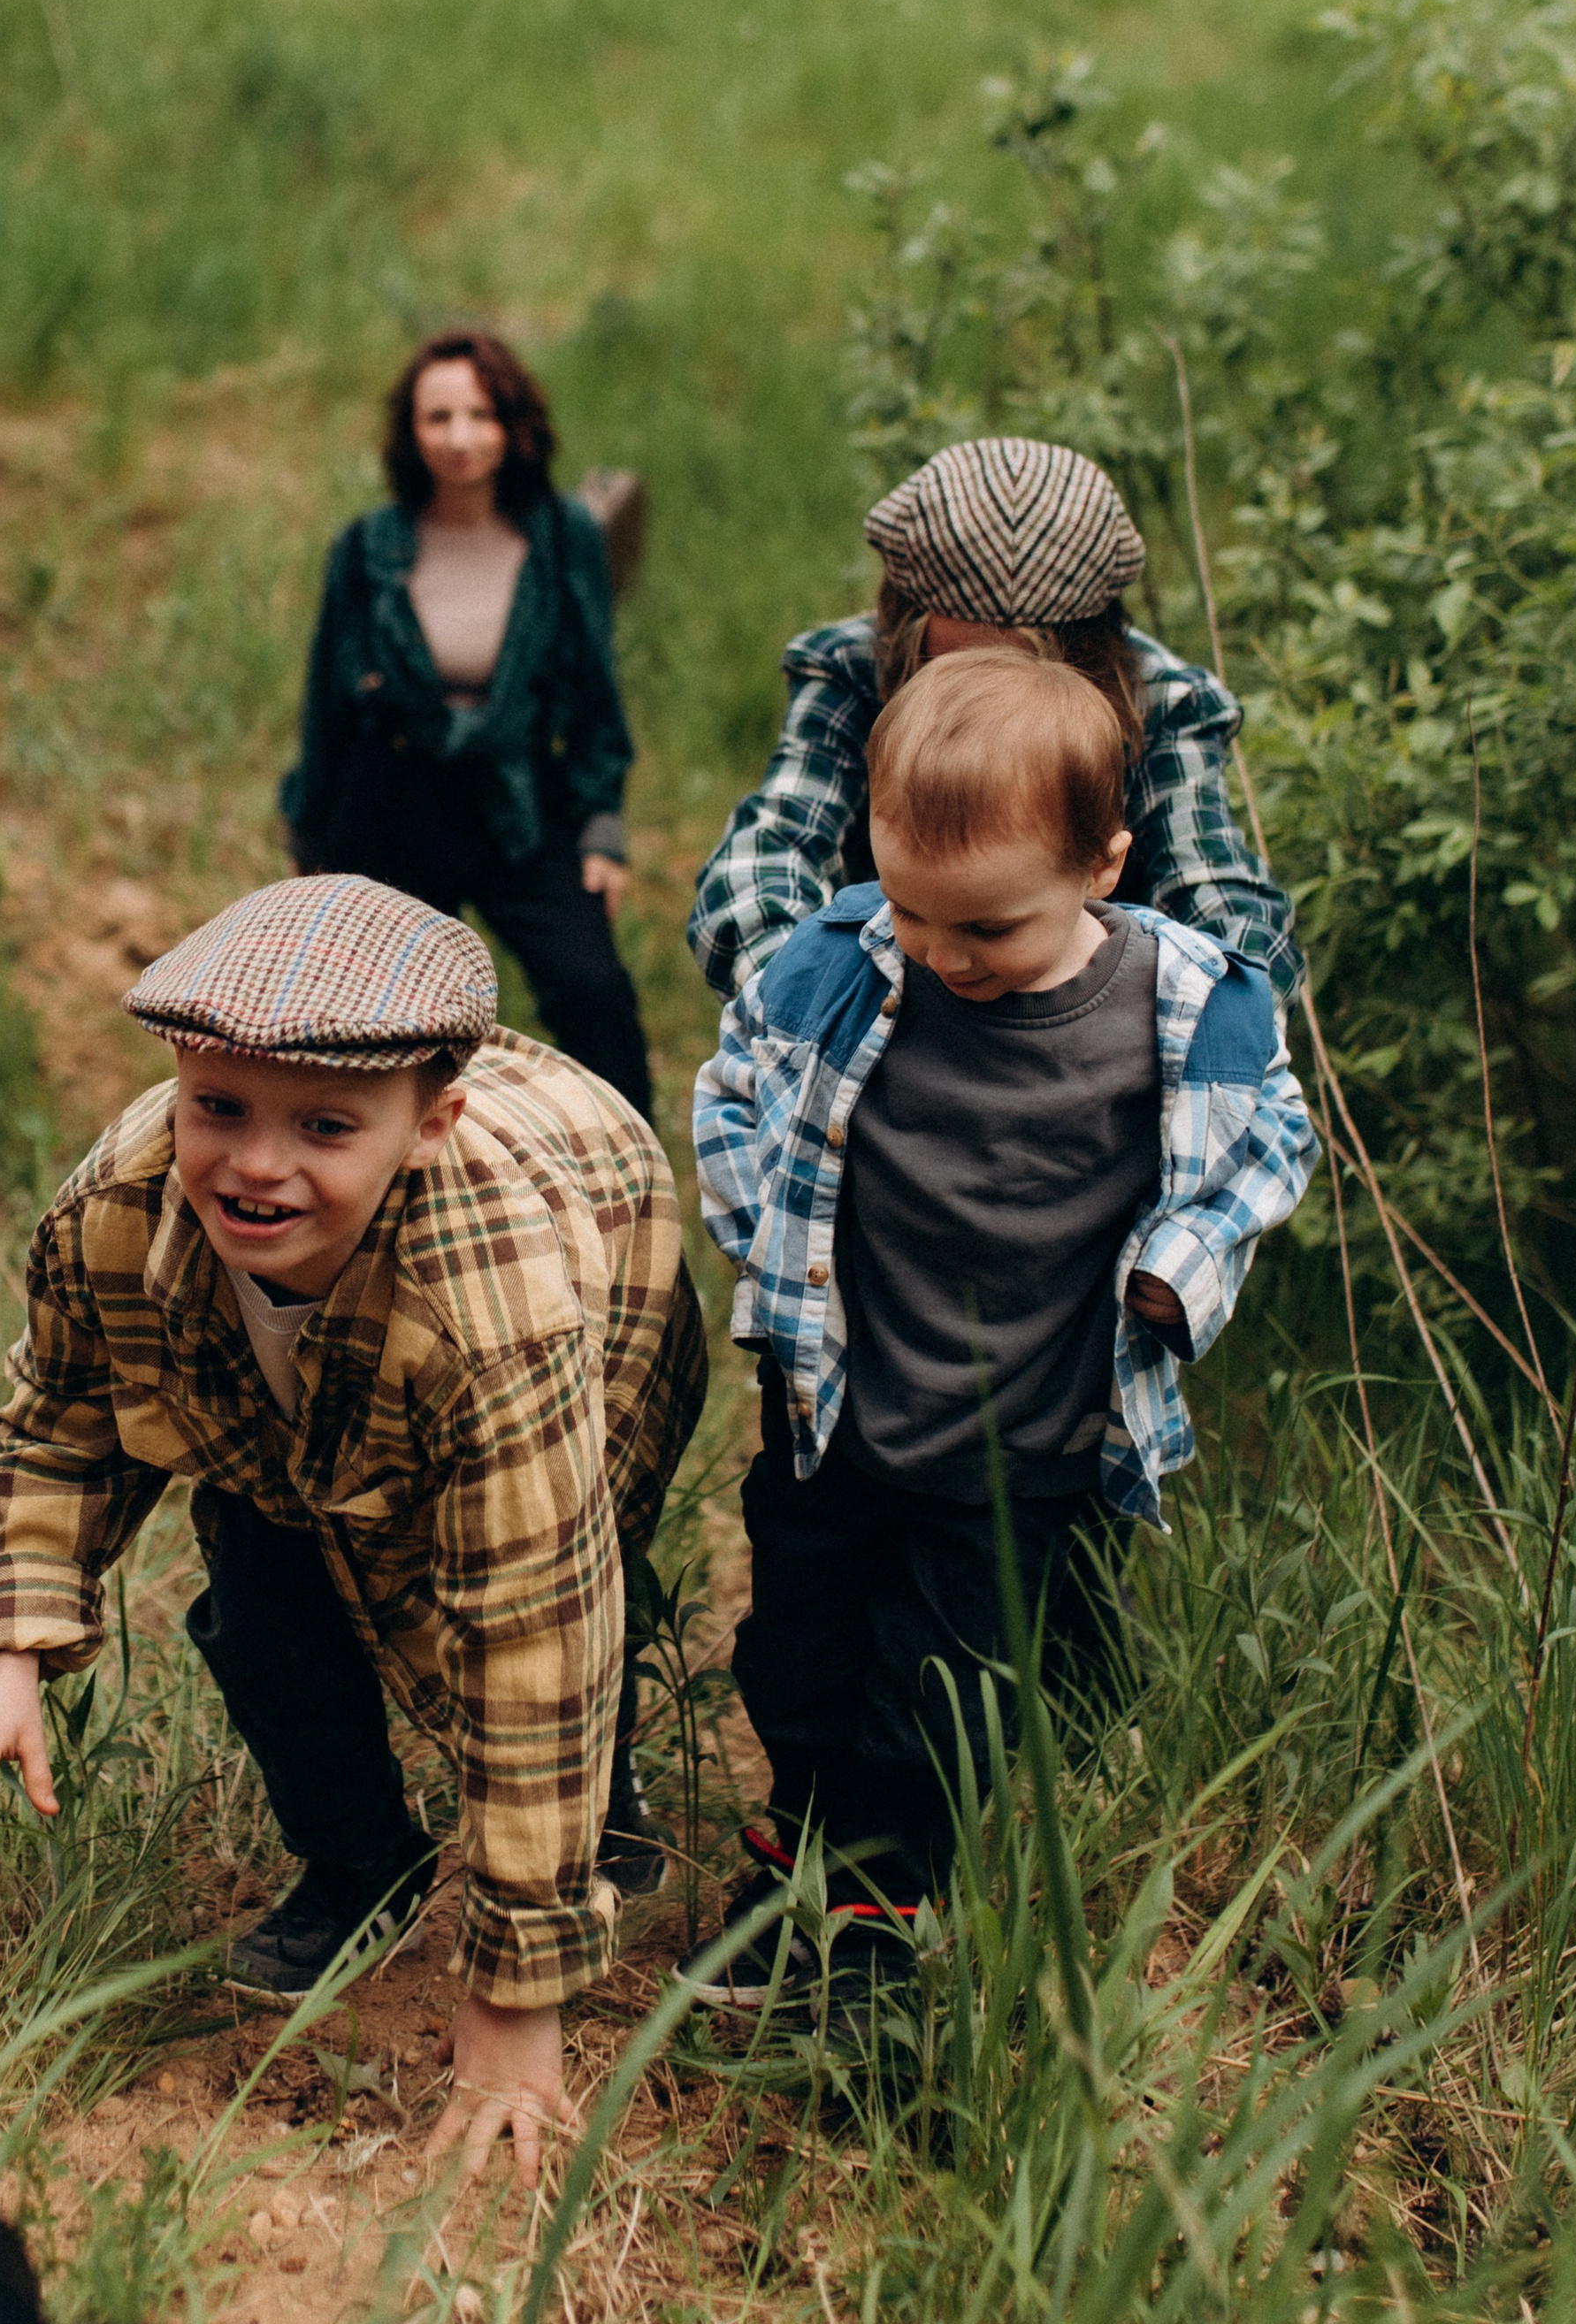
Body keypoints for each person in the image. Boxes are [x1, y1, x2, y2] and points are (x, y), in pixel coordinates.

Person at [0, 874, 708, 2187]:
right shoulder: (117, 1209)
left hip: (605, 1293)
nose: (257, 1163)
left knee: (526, 1615)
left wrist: (512, 2002)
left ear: (430, 1121)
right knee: (265, 1590)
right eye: (218, 1108)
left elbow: (536, 1617)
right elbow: (63, 1419)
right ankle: (359, 1861)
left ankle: (590, 1821)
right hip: (266, 1406)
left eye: (325, 1125)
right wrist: (8, 1647)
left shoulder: (506, 1307)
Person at [686, 648, 1316, 2010]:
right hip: (839, 1411)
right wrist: (760, 1233)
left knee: (937, 1695)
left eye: (985, 930)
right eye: (913, 911)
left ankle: (871, 1921)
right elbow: (736, 1083)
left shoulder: (1180, 1006)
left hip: (1020, 1442)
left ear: (1104, 866)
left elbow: (1269, 1138)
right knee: (794, 1655)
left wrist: (1183, 1262)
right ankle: (795, 1847)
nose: (939, 954)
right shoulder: (841, 962)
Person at [687, 436, 1301, 1009]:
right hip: (889, 996)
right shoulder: (853, 669)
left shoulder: (1162, 703)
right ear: (906, 611)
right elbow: (761, 864)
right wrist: (824, 1013)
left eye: (1025, 660)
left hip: (1088, 1018)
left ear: (1090, 641)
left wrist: (1170, 1040)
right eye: (956, 662)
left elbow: (1225, 907)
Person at [281, 329, 655, 1122]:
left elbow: (595, 686)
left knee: (596, 995)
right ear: (409, 432)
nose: (458, 438)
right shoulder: (369, 546)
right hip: (391, 790)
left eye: (480, 414)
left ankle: (629, 1195)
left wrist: (601, 826)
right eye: (437, 416)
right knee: (374, 1023)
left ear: (515, 424)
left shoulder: (562, 537)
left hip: (519, 791)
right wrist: (312, 839)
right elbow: (328, 701)